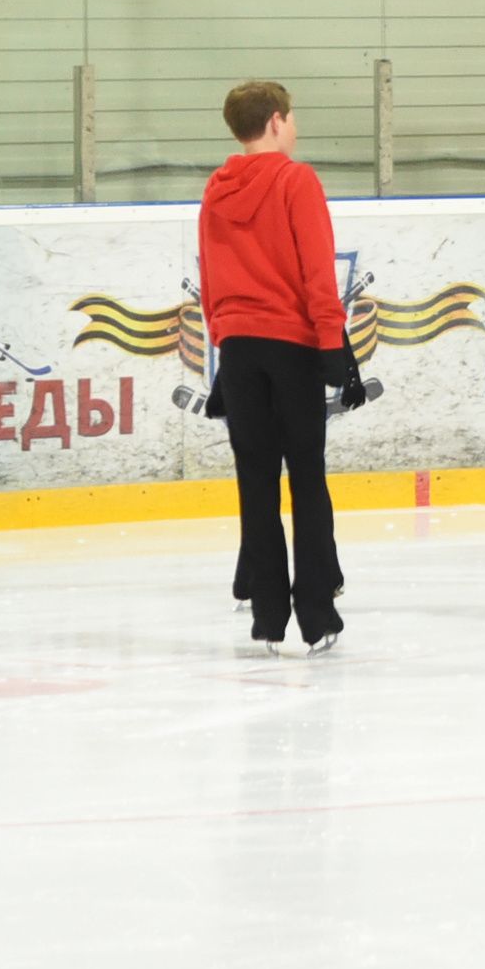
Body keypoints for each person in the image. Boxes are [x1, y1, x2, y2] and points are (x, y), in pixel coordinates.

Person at [197, 80, 362, 654]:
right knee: (308, 481)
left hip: (238, 349)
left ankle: (268, 618)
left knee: (257, 483)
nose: (295, 128)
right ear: (273, 121)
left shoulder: (215, 191)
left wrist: (223, 347)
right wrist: (332, 347)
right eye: (291, 118)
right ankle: (317, 615)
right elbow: (317, 269)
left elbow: (212, 281)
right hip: (290, 345)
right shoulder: (297, 179)